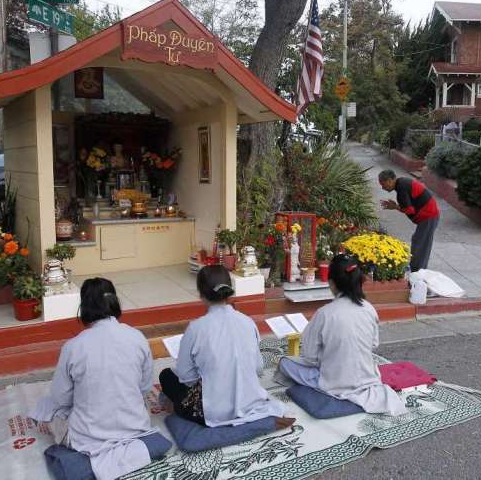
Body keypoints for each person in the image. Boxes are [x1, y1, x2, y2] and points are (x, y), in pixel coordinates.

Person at [29, 278, 160, 480]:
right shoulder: (137, 337)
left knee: (47, 406)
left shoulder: (74, 347)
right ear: (114, 302)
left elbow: (61, 399)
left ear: (84, 307)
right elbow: (144, 387)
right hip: (135, 428)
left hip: (86, 437)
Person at [159, 265, 293, 429]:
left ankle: (180, 410)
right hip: (250, 401)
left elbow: (186, 377)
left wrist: (210, 381)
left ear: (201, 294)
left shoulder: (195, 328)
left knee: (166, 376)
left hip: (212, 412)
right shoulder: (247, 322)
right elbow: (258, 367)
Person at [278, 255, 407, 416]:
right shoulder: (369, 309)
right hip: (367, 377)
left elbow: (310, 357)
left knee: (285, 363)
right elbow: (373, 344)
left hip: (333, 381)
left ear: (331, 284)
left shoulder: (324, 313)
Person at [378, 169, 440, 271]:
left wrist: (395, 207)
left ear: (389, 180)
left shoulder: (402, 188)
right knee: (419, 241)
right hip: (429, 215)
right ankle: (417, 268)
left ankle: (417, 271)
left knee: (420, 243)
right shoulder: (402, 183)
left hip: (428, 216)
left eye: (383, 184)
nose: (382, 187)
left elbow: (409, 210)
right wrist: (396, 206)